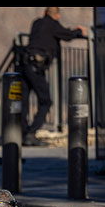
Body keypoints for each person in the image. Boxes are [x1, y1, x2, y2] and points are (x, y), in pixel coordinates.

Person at [20, 7, 87, 145]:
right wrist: (79, 31)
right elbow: (67, 35)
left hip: (24, 63)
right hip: (36, 67)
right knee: (45, 101)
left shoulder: (37, 22)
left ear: (44, 13)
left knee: (24, 100)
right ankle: (31, 133)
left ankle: (22, 132)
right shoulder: (52, 25)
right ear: (57, 16)